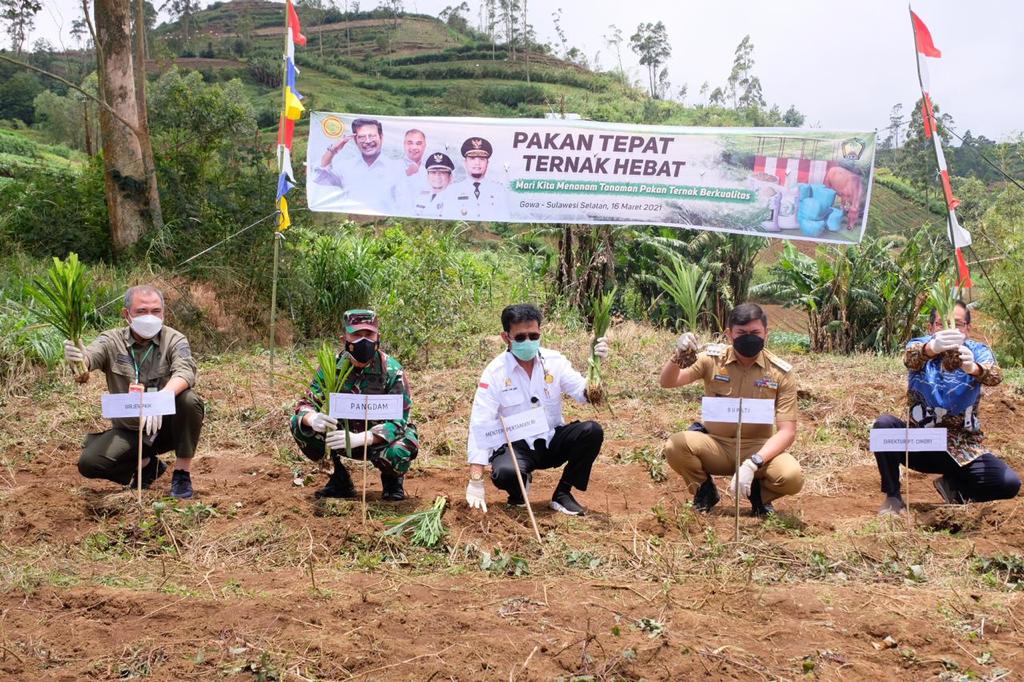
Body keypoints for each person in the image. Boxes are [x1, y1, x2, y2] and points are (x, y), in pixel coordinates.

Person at [872, 301, 1020, 514]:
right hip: (922, 441)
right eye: (942, 324)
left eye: (958, 324)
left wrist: (974, 368)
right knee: (884, 427)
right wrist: (931, 348)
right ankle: (893, 497)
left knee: (1008, 483)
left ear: (968, 328)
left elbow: (995, 376)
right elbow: (910, 358)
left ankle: (954, 487)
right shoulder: (919, 346)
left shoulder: (978, 351)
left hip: (963, 447)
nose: (950, 330)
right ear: (931, 328)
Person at [659, 303, 803, 516]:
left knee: (792, 476)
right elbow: (668, 382)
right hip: (716, 445)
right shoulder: (711, 360)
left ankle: (758, 496)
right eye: (741, 333)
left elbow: (787, 431)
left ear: (766, 334)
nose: (749, 337)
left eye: (755, 332)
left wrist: (754, 463)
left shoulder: (780, 373)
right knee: (675, 445)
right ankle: (704, 491)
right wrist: (677, 355)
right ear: (729, 334)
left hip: (758, 449)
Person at [464, 304, 609, 516]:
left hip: (551, 439)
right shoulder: (494, 373)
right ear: (506, 337)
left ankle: (563, 493)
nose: (528, 342)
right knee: (506, 473)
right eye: (520, 337)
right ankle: (518, 491)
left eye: (533, 335)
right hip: (517, 447)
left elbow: (583, 393)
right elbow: (480, 423)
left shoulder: (554, 362)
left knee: (591, 432)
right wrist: (476, 479)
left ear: (540, 332)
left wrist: (596, 366)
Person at [63, 285, 204, 499]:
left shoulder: (174, 340)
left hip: (165, 425)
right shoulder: (111, 341)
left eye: (156, 311)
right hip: (130, 429)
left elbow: (185, 372)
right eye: (142, 311)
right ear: (126, 314)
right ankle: (148, 468)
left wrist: (160, 400)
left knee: (189, 400)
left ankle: (182, 474)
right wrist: (79, 359)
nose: (150, 317)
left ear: (163, 312)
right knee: (90, 463)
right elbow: (92, 355)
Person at [290, 309, 419, 501]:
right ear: (344, 338)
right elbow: (305, 404)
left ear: (378, 337)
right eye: (357, 335)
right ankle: (339, 480)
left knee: (401, 448)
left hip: (377, 441)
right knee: (299, 425)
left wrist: (363, 438)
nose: (364, 340)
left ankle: (392, 481)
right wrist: (312, 418)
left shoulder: (392, 370)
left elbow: (399, 421)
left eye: (369, 334)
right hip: (340, 437)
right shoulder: (331, 367)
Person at [312, 118, 398, 210]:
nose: (368, 141)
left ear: (381, 137)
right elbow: (320, 176)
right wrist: (333, 150)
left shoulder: (396, 168)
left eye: (372, 136)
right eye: (362, 137)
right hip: (352, 222)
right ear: (355, 140)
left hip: (386, 222)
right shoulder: (345, 167)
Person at [448, 137, 508, 221]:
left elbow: (504, 219)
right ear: (465, 162)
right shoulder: (453, 190)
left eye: (482, 159)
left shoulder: (498, 190)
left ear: (487, 163)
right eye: (472, 158)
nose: (477, 163)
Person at [393, 129, 430, 208]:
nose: (414, 147)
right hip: (399, 215)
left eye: (418, 143)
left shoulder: (430, 170)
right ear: (404, 144)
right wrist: (406, 173)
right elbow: (383, 190)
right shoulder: (393, 166)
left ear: (425, 146)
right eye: (410, 143)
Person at [413, 152, 455, 218]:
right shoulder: (418, 196)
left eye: (443, 172)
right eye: (433, 172)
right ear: (427, 176)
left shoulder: (455, 198)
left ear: (451, 177)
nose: (437, 176)